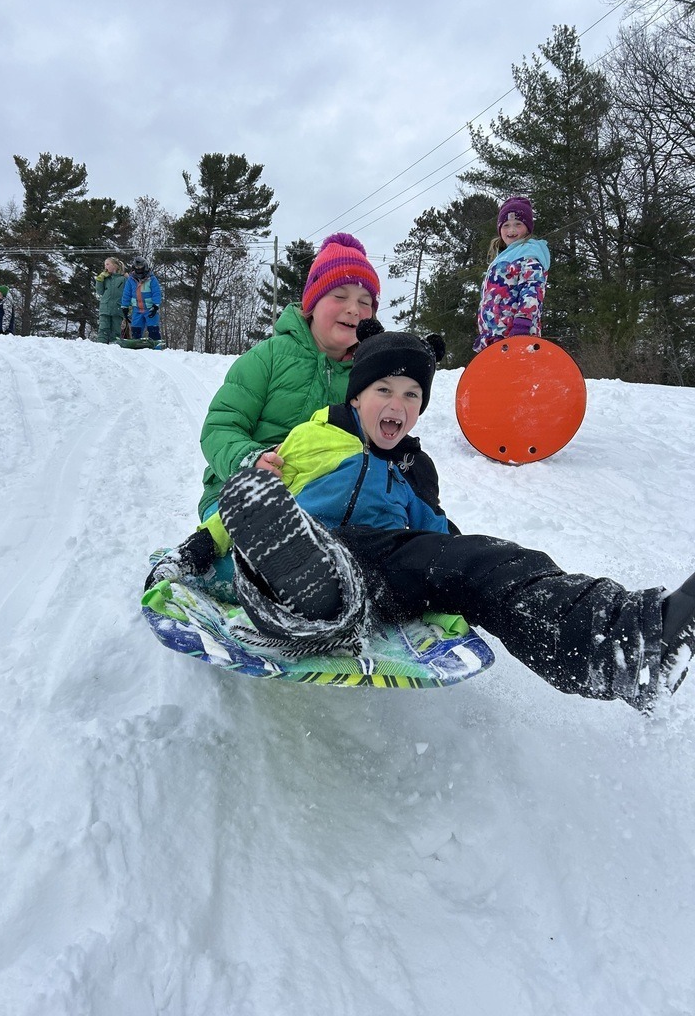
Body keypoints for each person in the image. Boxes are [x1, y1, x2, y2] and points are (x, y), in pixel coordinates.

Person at [150, 326, 695, 713]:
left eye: (412, 395)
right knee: (263, 499)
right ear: (357, 395)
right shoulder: (309, 437)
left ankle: (624, 645)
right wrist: (197, 548)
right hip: (293, 542)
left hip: (380, 564)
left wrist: (467, 565)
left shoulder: (414, 468)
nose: (398, 403)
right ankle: (297, 589)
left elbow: (435, 535)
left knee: (487, 560)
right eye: (384, 390)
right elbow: (246, 508)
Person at [197, 232, 382, 524]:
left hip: (320, 503)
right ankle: (197, 560)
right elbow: (220, 426)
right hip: (242, 491)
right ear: (313, 302)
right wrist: (250, 461)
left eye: (365, 301)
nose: (354, 309)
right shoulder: (267, 357)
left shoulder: (368, 377)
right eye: (340, 296)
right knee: (249, 542)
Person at [474, 195, 550, 353]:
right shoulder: (501, 258)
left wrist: (523, 323)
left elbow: (532, 289)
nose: (512, 230)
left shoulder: (530, 255)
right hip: (494, 337)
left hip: (517, 334)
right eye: (506, 225)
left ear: (527, 227)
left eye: (518, 224)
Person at [121, 257, 162, 342]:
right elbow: (126, 294)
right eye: (137, 267)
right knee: (136, 330)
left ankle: (156, 348)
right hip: (137, 309)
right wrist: (125, 306)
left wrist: (156, 305)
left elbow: (156, 292)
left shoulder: (152, 279)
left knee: (153, 329)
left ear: (145, 266)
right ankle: (136, 348)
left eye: (140, 267)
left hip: (150, 309)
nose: (138, 269)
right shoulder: (130, 280)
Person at [95, 257, 127, 344]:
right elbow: (99, 291)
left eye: (108, 264)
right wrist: (99, 279)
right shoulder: (105, 278)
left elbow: (130, 292)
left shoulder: (123, 279)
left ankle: (114, 349)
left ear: (115, 266)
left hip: (118, 308)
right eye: (105, 265)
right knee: (103, 329)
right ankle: (100, 346)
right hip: (105, 308)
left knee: (116, 331)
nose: (106, 266)